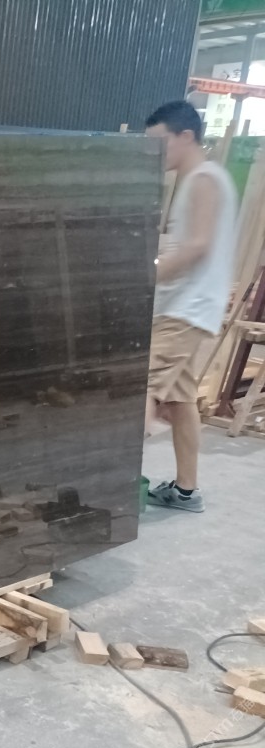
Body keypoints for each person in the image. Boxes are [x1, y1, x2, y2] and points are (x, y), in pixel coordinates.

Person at [142, 101, 237, 513]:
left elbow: (197, 246)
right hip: (182, 307)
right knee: (180, 401)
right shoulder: (193, 180)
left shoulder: (204, 179)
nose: (155, 152)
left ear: (186, 136)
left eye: (160, 142)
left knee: (138, 389)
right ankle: (185, 490)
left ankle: (104, 492)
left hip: (186, 309)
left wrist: (145, 275)